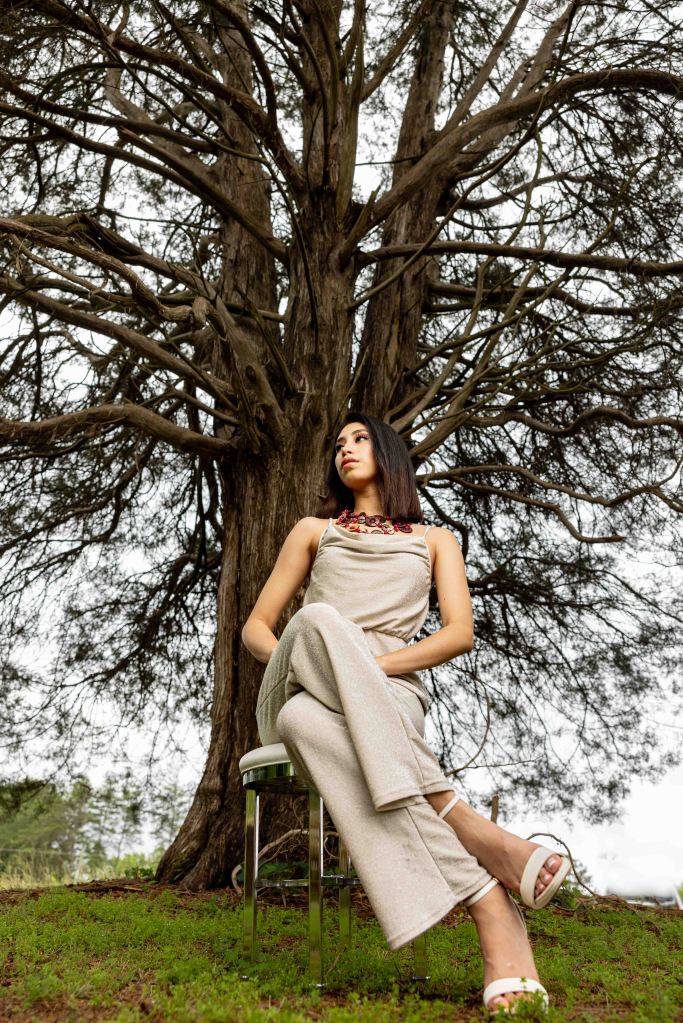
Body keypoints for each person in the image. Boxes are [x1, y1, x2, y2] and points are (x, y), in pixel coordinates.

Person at [241, 410, 571, 1014]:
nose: (345, 449)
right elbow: (257, 628)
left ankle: (485, 901)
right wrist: (314, 658)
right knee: (316, 623)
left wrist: (369, 669)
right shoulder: (314, 530)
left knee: (302, 725)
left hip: (386, 694)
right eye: (338, 443)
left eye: (360, 439)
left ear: (389, 453)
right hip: (301, 676)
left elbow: (459, 634)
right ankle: (466, 828)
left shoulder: (435, 540)